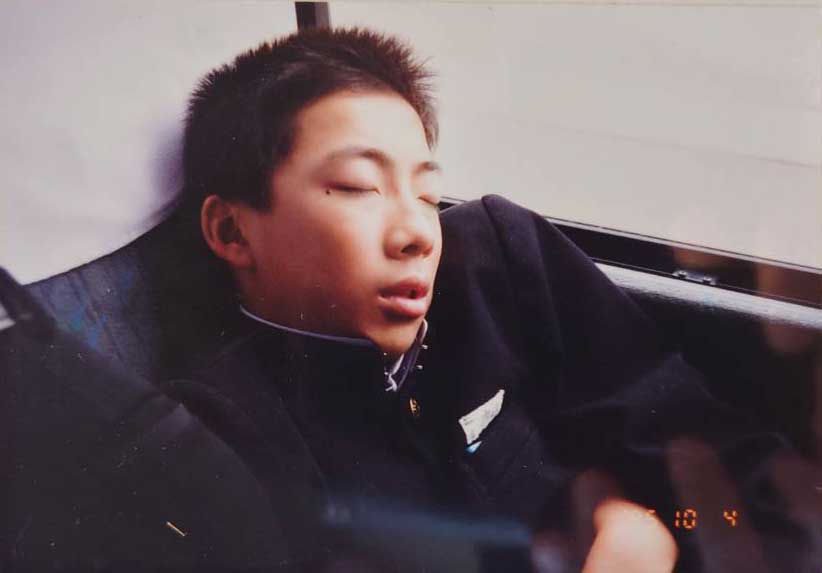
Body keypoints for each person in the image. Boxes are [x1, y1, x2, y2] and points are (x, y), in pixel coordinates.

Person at [173, 26, 809, 572]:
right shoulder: (219, 435)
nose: (418, 233)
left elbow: (707, 459)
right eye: (359, 186)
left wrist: (651, 523)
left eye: (427, 194)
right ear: (233, 232)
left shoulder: (497, 262)